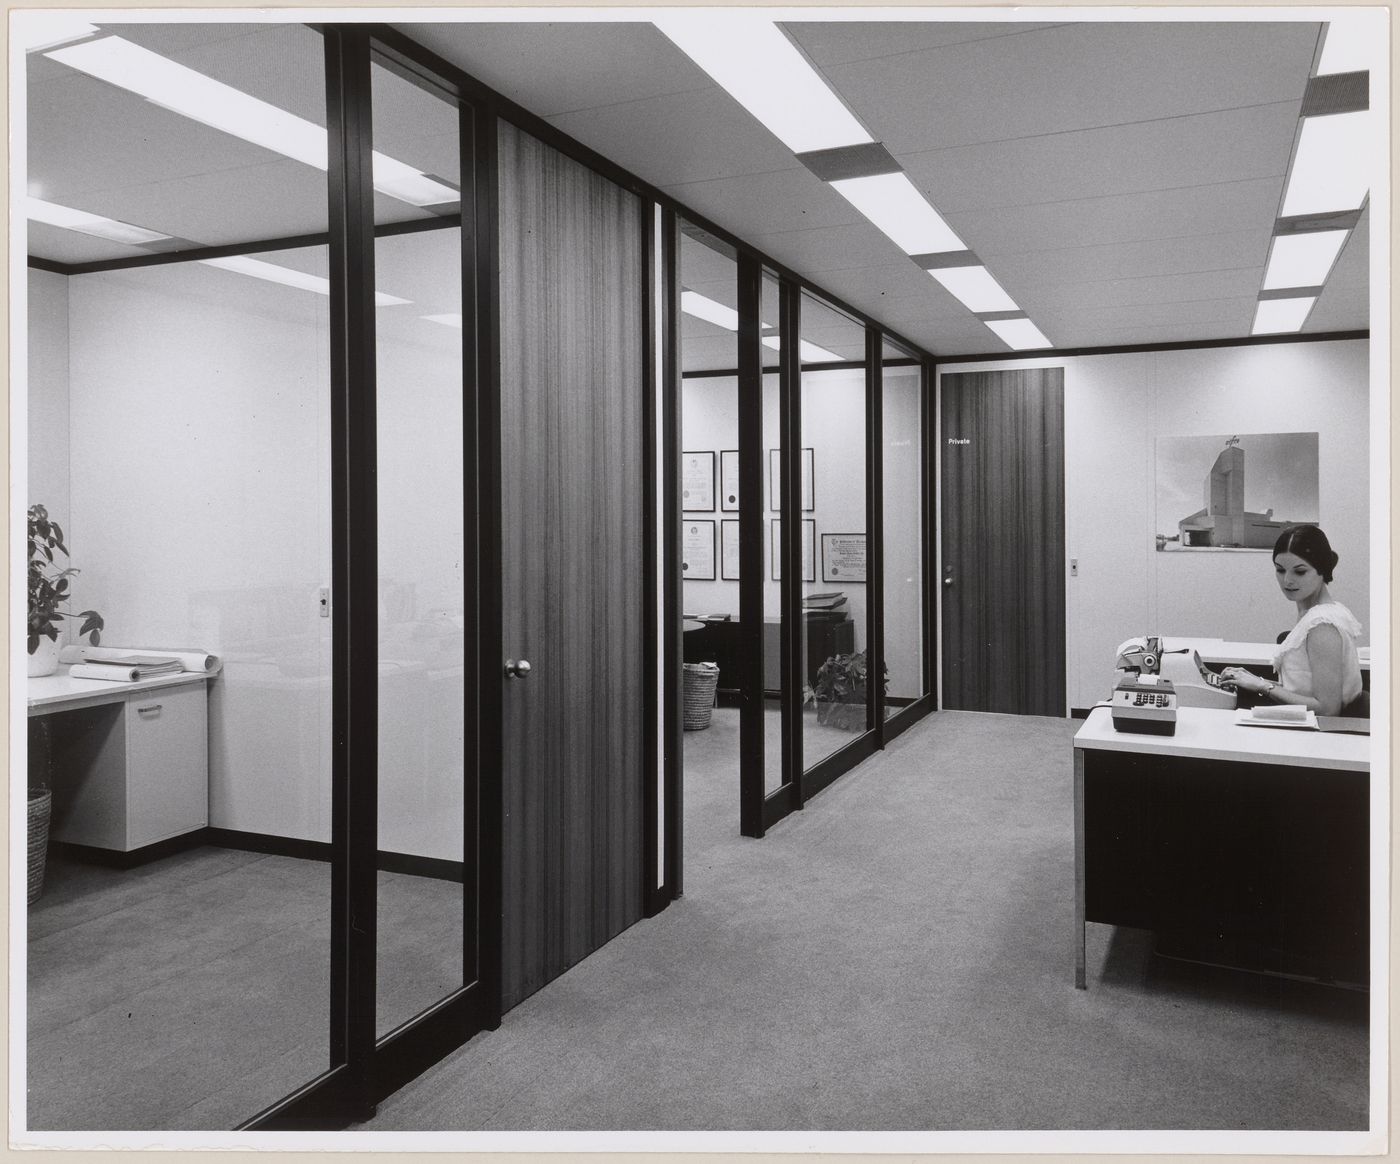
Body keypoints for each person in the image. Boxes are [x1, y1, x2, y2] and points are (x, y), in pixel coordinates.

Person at [1221, 525, 1363, 717]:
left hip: (1322, 737)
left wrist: (1262, 685)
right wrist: (1253, 680)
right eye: (1280, 570)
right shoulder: (1319, 612)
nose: (1287, 580)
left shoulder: (1322, 626)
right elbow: (1303, 691)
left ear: (1322, 569)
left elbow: (1328, 710)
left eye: (1300, 572)